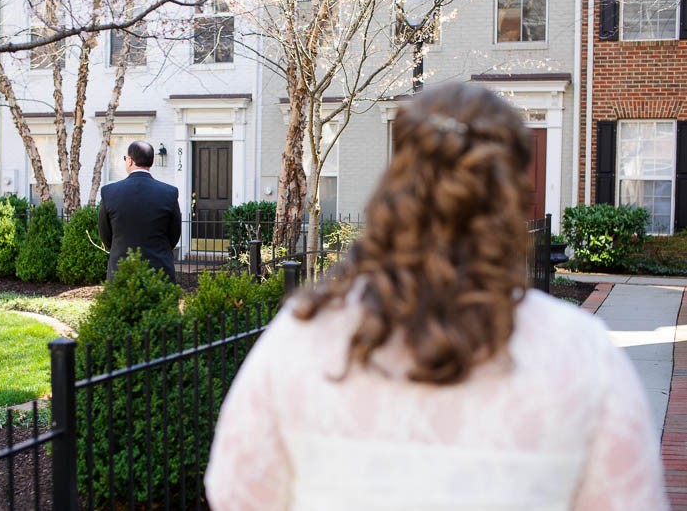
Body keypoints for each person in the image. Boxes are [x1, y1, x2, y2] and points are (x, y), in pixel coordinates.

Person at [205, 84, 667, 510]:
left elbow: (236, 491)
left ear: (398, 182)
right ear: (509, 196)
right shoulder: (582, 353)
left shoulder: (303, 336)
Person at [98, 141, 182, 283]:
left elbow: (105, 235)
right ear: (152, 161)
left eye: (125, 159)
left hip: (122, 270)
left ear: (130, 161)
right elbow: (174, 235)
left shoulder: (110, 192)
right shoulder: (169, 193)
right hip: (159, 270)